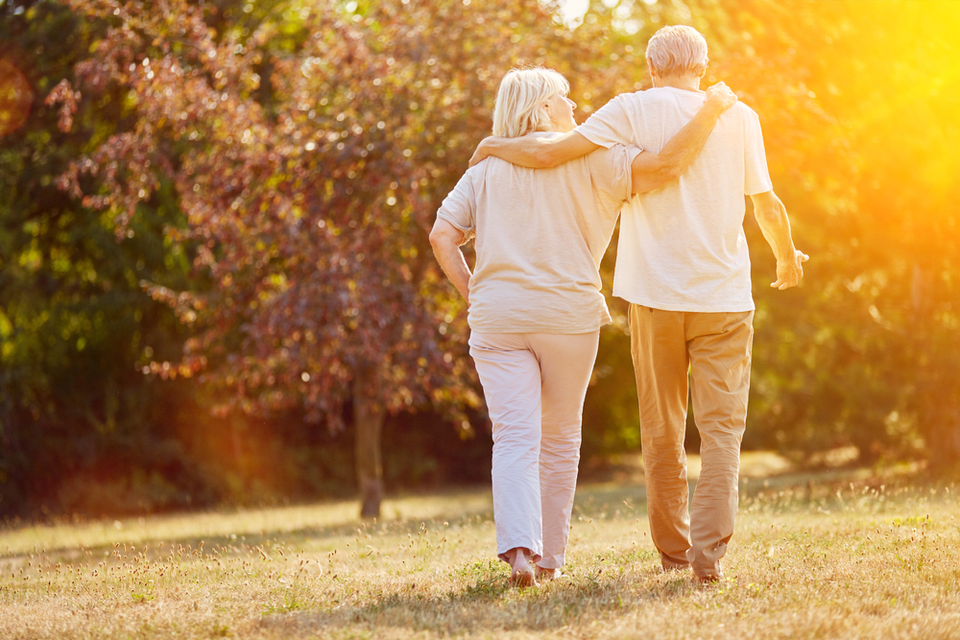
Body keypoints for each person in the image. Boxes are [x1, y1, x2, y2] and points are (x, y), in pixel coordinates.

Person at [469, 26, 808, 583]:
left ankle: (674, 552)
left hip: (653, 296)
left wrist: (494, 147)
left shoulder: (627, 110)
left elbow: (554, 150)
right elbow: (766, 203)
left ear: (652, 66)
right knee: (722, 431)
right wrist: (787, 256)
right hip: (724, 297)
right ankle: (709, 555)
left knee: (662, 429)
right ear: (702, 66)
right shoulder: (740, 116)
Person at [430, 67, 737, 587]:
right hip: (567, 316)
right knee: (559, 437)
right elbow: (662, 171)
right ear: (545, 107)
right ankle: (550, 560)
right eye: (566, 98)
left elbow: (443, 236)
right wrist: (709, 113)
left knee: (512, 438)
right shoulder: (597, 157)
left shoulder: (486, 165)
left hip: (498, 317)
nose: (576, 106)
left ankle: (520, 553)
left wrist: (473, 291)